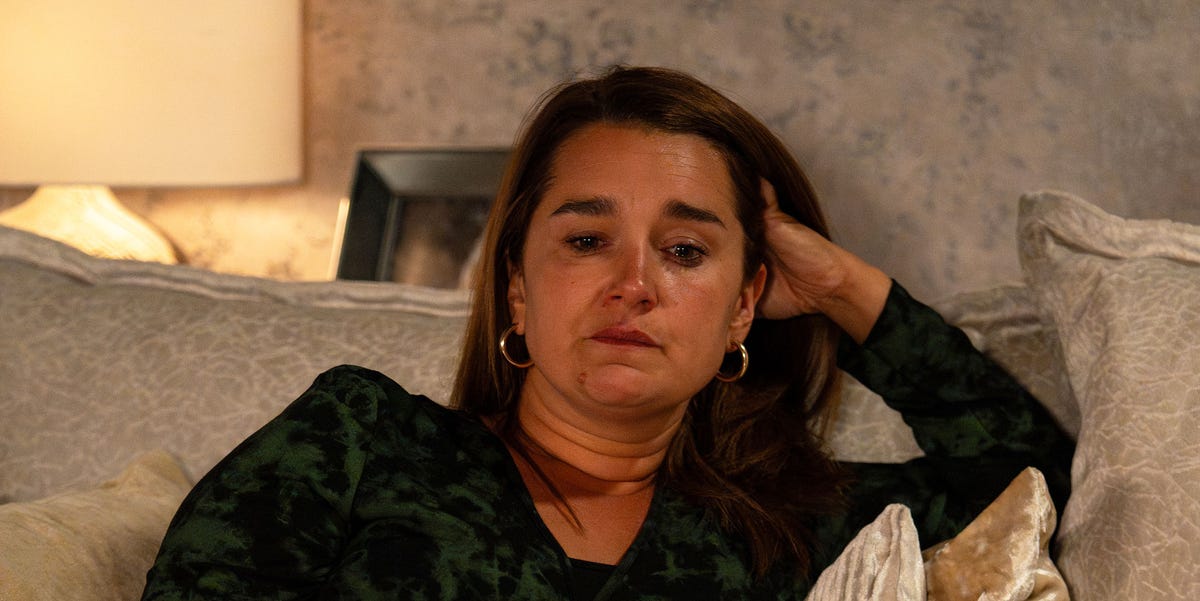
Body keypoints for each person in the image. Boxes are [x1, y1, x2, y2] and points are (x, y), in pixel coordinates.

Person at [142, 66, 1074, 600]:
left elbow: (1035, 490)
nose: (633, 283)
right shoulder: (362, 437)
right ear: (517, 288)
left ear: (741, 309)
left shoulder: (800, 521)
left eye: (684, 251)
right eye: (588, 240)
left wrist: (845, 288)